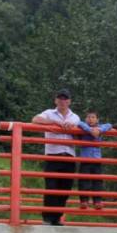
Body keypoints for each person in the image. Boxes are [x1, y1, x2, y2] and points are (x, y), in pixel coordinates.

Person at [31, 88, 81, 225]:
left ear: (69, 101)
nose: (62, 101)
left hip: (69, 156)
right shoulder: (49, 113)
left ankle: (57, 217)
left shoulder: (75, 117)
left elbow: (80, 134)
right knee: (51, 187)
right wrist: (56, 123)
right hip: (53, 155)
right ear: (55, 100)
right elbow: (35, 120)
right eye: (60, 98)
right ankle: (48, 218)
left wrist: (73, 128)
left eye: (65, 98)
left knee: (65, 189)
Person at [75, 111, 112, 210]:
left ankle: (97, 201)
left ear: (97, 120)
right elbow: (79, 122)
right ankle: (84, 201)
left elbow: (109, 125)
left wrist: (99, 130)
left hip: (96, 160)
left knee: (97, 181)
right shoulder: (82, 127)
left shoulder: (100, 127)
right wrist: (90, 130)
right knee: (84, 180)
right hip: (85, 159)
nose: (90, 119)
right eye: (88, 117)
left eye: (93, 117)